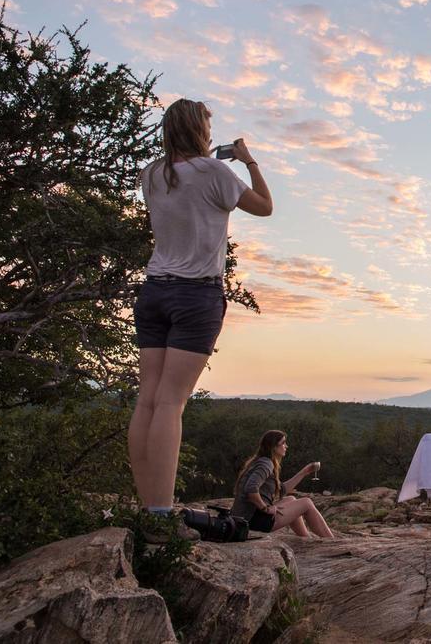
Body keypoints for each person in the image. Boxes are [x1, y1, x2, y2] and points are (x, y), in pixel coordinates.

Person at [129, 98, 273, 541]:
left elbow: (184, 182)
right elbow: (265, 206)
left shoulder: (151, 175)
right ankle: (159, 514)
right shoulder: (216, 173)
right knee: (171, 403)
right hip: (195, 295)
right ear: (199, 130)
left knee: (148, 398)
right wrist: (248, 161)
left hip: (154, 289)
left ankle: (147, 505)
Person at [232, 430, 334, 537]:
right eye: (283, 443)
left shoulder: (260, 461)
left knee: (291, 499)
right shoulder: (266, 464)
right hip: (253, 521)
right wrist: (265, 508)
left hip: (249, 518)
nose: (286, 446)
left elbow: (282, 490)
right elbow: (251, 489)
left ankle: (304, 538)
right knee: (306, 503)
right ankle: (332, 542)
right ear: (274, 447)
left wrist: (305, 472)